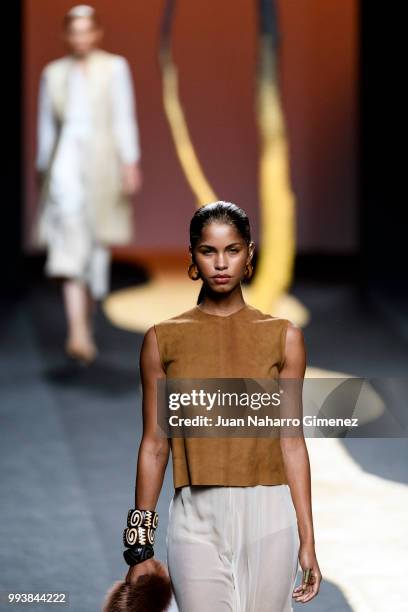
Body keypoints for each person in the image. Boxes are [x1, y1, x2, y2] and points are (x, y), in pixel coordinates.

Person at [122, 201, 322, 611]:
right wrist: (139, 549)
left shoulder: (283, 338)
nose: (220, 263)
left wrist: (308, 540)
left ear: (249, 255)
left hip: (269, 516)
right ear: (192, 256)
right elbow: (155, 445)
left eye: (232, 250)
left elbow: (292, 443)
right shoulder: (163, 340)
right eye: (208, 251)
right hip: (195, 517)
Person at [31, 4, 142, 364]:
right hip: (66, 165)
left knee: (96, 246)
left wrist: (130, 161)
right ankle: (76, 331)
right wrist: (43, 169)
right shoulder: (54, 73)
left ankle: (85, 325)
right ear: (67, 35)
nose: (80, 38)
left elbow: (123, 116)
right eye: (73, 31)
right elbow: (47, 126)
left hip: (103, 164)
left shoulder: (114, 67)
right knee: (69, 238)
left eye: (85, 30)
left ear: (96, 33)